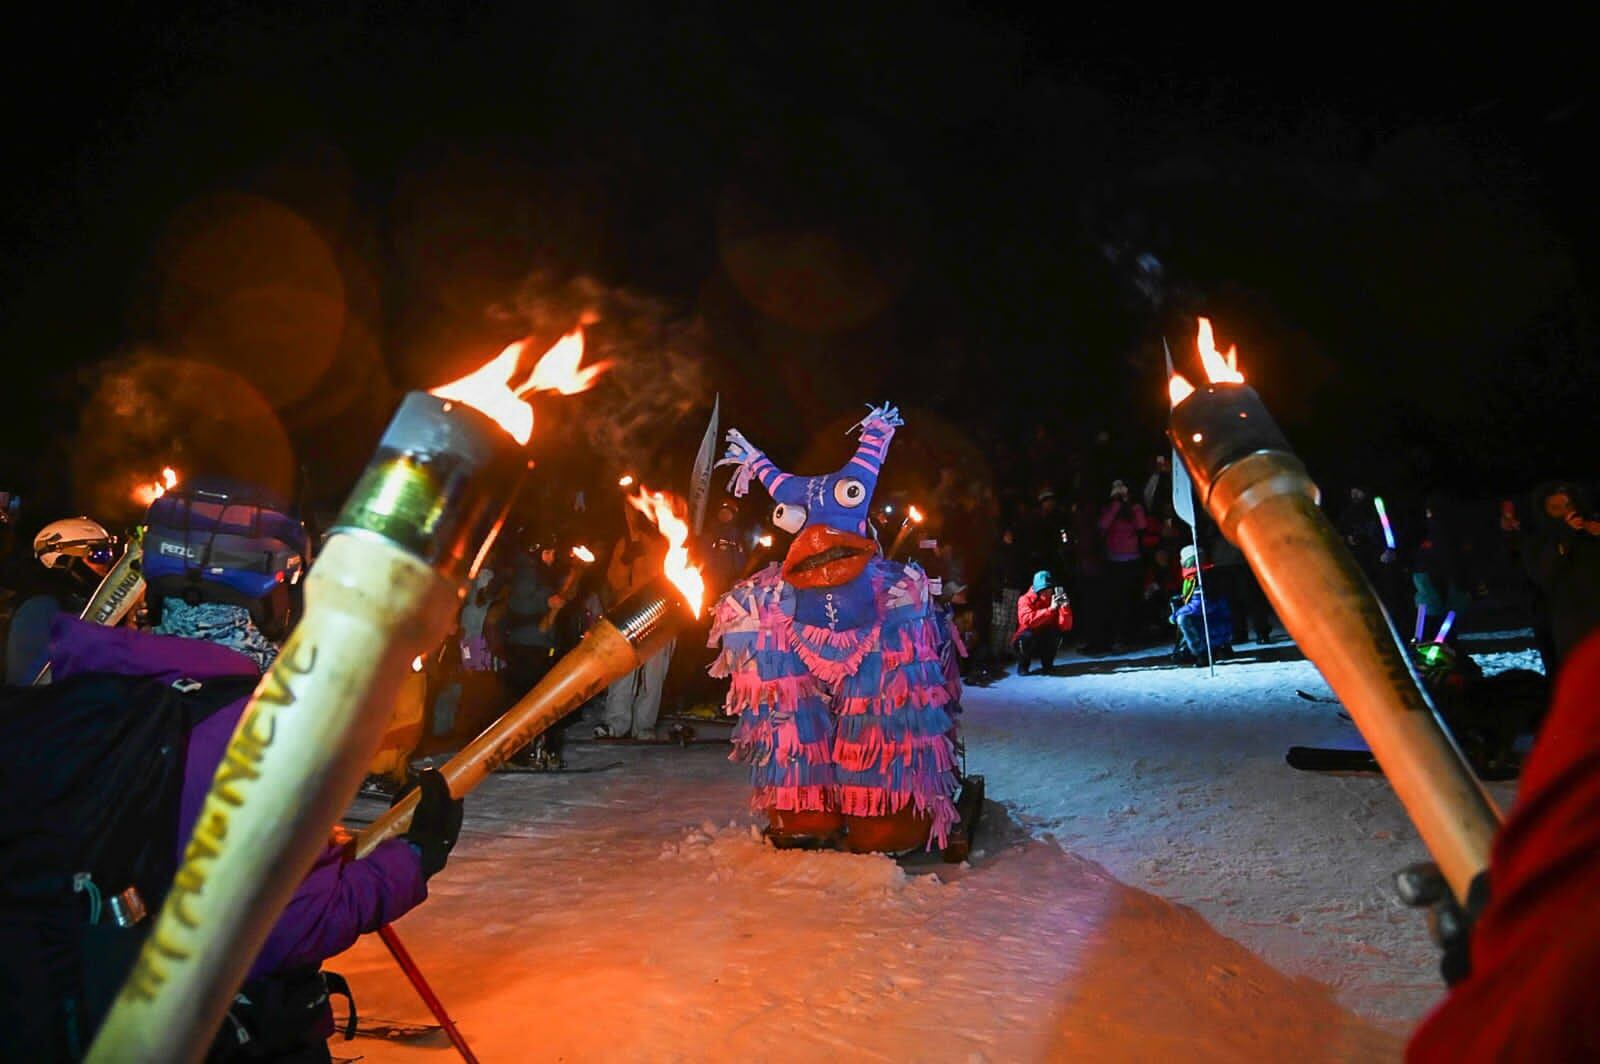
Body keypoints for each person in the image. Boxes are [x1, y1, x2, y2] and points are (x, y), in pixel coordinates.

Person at [19, 478, 461, 1060]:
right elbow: (284, 930)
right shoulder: (258, 726)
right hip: (225, 1034)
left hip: (82, 1016)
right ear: (266, 591)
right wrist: (412, 860)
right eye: (291, 580)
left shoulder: (88, 687)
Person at [597, 500, 672, 740]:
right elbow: (615, 582)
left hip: (661, 615)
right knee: (622, 670)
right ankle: (617, 723)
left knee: (654, 674)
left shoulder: (670, 543)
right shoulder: (627, 542)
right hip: (629, 614)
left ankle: (644, 725)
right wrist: (626, 560)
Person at [1520, 481, 1600, 671]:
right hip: (1569, 622)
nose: (1565, 512)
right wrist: (1566, 536)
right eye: (1556, 508)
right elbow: (1542, 574)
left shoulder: (1591, 533)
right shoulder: (1539, 542)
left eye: (1568, 506)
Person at [1098, 480, 1147, 649]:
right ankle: (1120, 636)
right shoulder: (1109, 509)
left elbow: (1142, 525)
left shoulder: (1134, 508)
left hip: (1133, 558)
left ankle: (1134, 635)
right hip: (1115, 560)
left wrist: (1131, 505)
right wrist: (1116, 506)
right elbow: (1102, 526)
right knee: (1118, 601)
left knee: (1133, 598)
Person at [1170, 545, 1231, 666]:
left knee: (1183, 618)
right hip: (1212, 619)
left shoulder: (1201, 578)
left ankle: (1202, 653)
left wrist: (1176, 614)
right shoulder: (1197, 576)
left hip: (1214, 622)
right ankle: (1201, 649)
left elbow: (1199, 605)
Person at [1013, 571, 1073, 675]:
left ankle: (1048, 665)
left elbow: (1065, 627)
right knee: (1027, 636)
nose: (1046, 592)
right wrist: (1050, 610)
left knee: (1055, 634)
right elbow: (1026, 621)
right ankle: (1023, 665)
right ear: (1036, 590)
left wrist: (1065, 608)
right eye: (1042, 590)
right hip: (1027, 639)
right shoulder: (1024, 599)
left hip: (1044, 638)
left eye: (1048, 589)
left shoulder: (1055, 599)